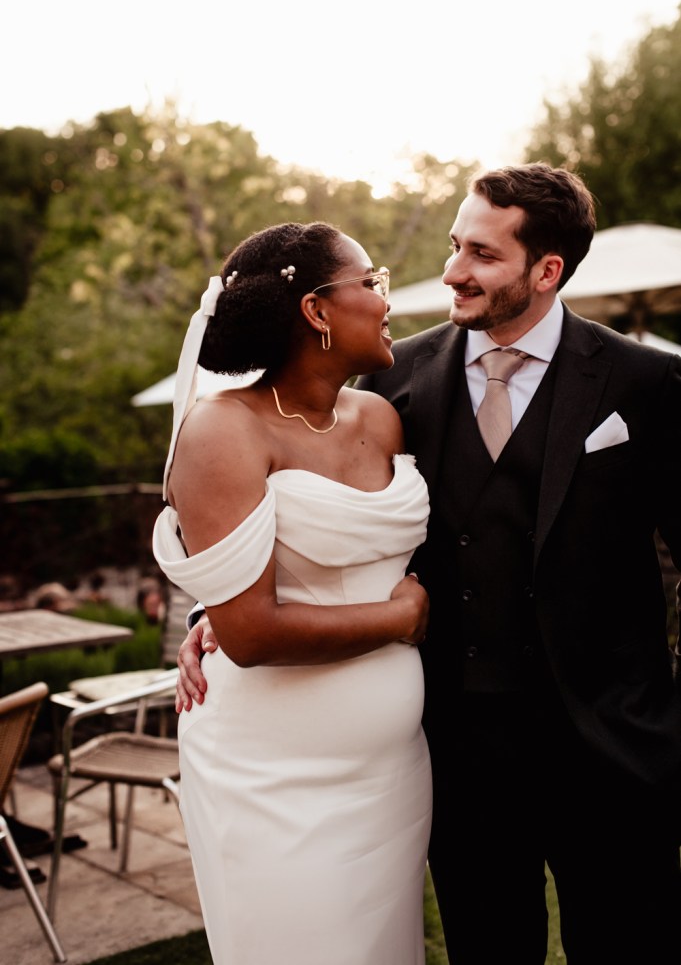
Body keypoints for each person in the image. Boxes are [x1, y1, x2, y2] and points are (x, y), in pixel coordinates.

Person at [178, 165, 681, 964]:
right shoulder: (389, 378)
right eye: (453, 245)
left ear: (545, 270)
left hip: (610, 748)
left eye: (480, 254)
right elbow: (324, 509)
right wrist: (216, 612)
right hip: (455, 748)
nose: (451, 270)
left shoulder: (647, 381)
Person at [152, 222, 432, 965]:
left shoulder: (380, 418)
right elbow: (249, 634)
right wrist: (400, 617)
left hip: (390, 771)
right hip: (272, 775)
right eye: (369, 283)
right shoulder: (222, 430)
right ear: (315, 309)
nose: (384, 299)